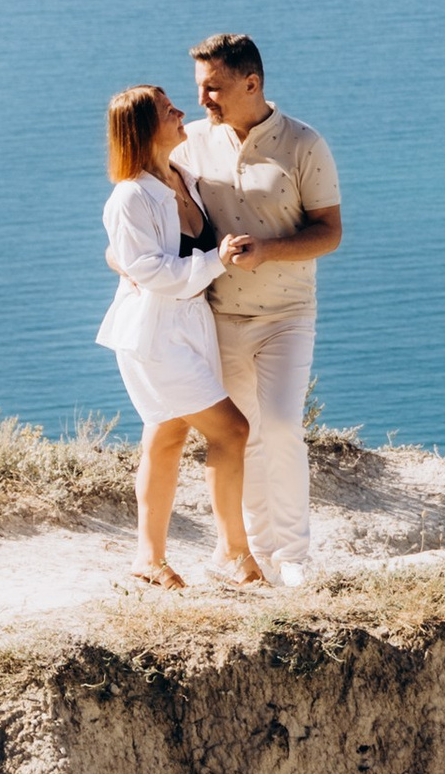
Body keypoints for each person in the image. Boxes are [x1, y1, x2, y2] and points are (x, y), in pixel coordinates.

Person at [172, 31, 343, 587]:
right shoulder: (190, 143)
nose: (203, 100)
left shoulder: (304, 144)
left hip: (287, 315)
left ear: (252, 83)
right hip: (217, 317)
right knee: (242, 435)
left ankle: (293, 556)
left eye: (214, 88)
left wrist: (268, 250)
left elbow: (329, 233)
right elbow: (144, 195)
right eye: (200, 88)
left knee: (282, 426)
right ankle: (254, 551)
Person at [95, 85, 267, 591]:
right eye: (169, 110)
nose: (181, 113)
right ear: (146, 127)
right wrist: (217, 258)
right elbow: (152, 272)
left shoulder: (184, 178)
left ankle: (149, 559)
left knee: (167, 436)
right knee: (231, 430)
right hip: (156, 334)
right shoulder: (129, 196)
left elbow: (135, 258)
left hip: (192, 325)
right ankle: (234, 554)